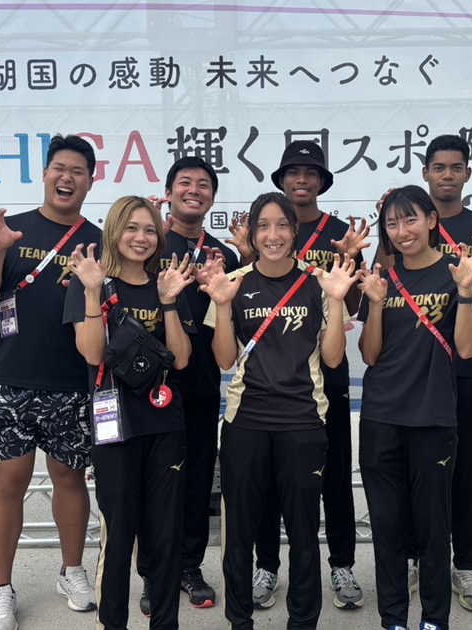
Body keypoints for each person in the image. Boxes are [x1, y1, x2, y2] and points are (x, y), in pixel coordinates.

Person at [0, 135, 104, 629]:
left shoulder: (98, 240)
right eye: (59, 168)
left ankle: (72, 571)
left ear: (90, 181)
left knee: (70, 478)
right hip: (11, 381)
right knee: (8, 484)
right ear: (45, 174)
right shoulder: (11, 230)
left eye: (78, 171)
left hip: (73, 383)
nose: (67, 177)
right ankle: (0, 591)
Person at [202, 192, 359, 630]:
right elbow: (225, 360)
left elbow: (332, 359)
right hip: (245, 424)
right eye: (264, 226)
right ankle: (240, 621)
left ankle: (302, 622)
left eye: (282, 225)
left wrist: (337, 299)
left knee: (305, 536)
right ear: (253, 233)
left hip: (303, 424)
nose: (273, 235)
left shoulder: (319, 282)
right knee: (239, 537)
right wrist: (222, 303)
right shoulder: (233, 282)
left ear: (295, 231)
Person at [229, 140, 368, 611]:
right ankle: (267, 565)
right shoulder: (261, 237)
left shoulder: (339, 233)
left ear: (322, 181)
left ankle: (341, 564)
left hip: (323, 378)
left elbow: (351, 306)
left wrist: (350, 263)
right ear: (282, 181)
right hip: (266, 384)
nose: (302, 179)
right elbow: (244, 308)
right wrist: (245, 256)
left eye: (311, 172)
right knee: (268, 482)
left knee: (333, 476)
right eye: (293, 172)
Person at [357, 184, 472, 630]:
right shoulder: (381, 277)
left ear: (432, 221)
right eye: (392, 224)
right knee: (387, 527)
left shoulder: (457, 272)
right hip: (380, 417)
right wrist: (376, 305)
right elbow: (370, 355)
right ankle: (393, 620)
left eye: (411, 219)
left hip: (433, 417)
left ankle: (434, 620)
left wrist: (466, 292)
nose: (402, 231)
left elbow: (467, 349)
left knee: (434, 528)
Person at [66, 195, 197, 630]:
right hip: (115, 427)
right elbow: (92, 354)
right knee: (118, 535)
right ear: (114, 230)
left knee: (165, 535)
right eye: (132, 228)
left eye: (150, 230)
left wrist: (170, 302)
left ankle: (165, 624)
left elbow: (181, 359)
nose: (141, 238)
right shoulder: (92, 281)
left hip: (165, 423)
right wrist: (91, 291)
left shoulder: (167, 283)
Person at [136, 157, 240, 614]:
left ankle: (189, 567)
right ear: (169, 192)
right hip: (149, 383)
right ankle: (152, 573)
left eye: (203, 185)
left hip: (200, 382)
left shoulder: (223, 256)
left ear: (212, 198)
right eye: (185, 183)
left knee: (196, 479)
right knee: (153, 482)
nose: (194, 190)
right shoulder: (149, 243)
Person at [410, 134, 472, 612]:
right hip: (413, 365)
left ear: (468, 173)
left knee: (464, 469)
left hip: (464, 364)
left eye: (455, 167)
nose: (447, 175)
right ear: (425, 173)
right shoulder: (409, 224)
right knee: (416, 468)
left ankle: (465, 564)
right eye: (438, 167)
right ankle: (416, 558)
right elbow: (390, 285)